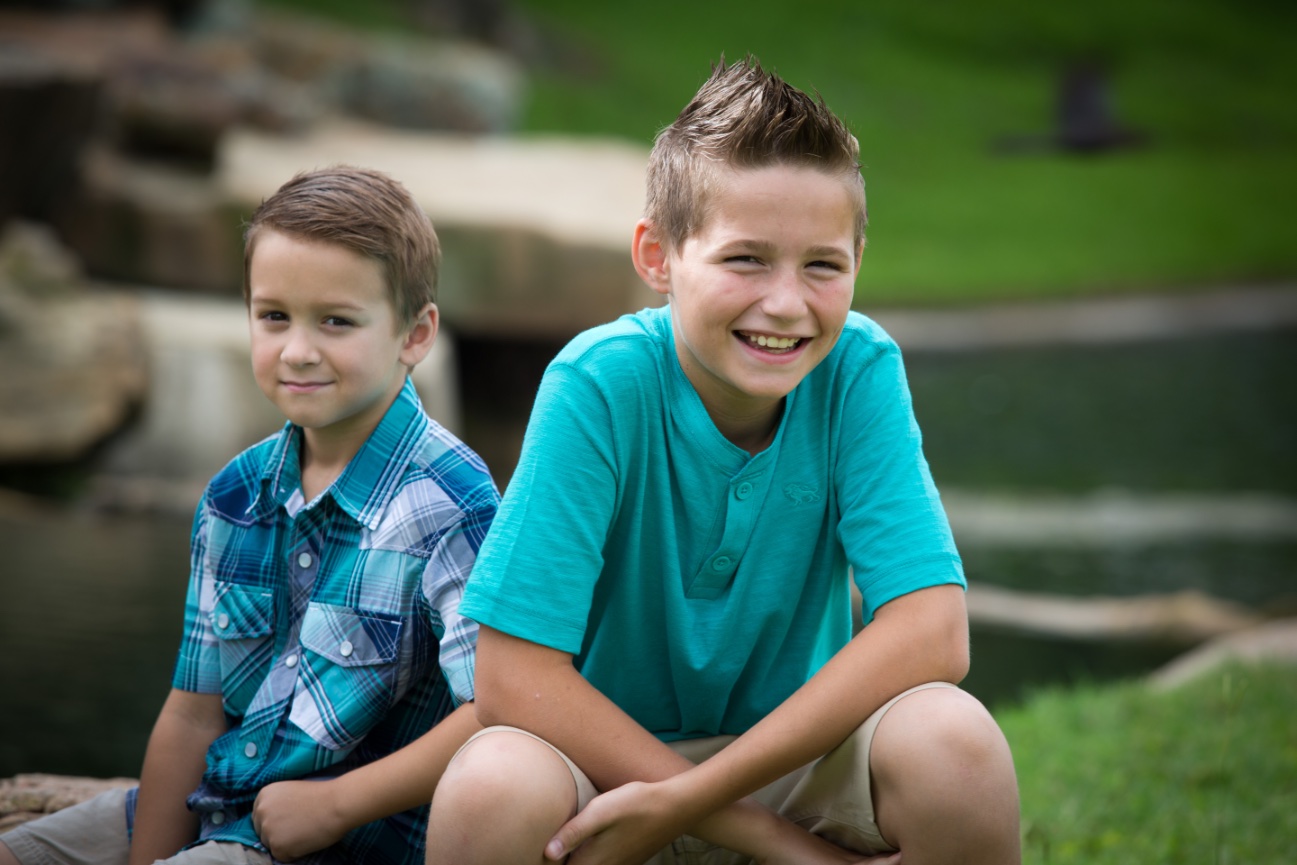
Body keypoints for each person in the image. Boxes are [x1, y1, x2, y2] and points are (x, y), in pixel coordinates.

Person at [427, 57, 1021, 865]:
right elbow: (510, 673)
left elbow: (933, 631)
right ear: (657, 256)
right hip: (603, 771)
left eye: (822, 265)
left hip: (792, 763)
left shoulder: (857, 369)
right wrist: (754, 835)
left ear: (856, 261)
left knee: (957, 745)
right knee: (490, 786)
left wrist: (697, 798)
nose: (785, 303)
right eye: (745, 259)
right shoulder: (597, 383)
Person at [0, 166, 499, 865]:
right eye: (274, 316)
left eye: (336, 320)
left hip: (343, 838)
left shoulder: (451, 502)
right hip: (218, 803)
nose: (298, 350)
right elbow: (192, 713)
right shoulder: (233, 496)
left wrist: (337, 803)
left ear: (414, 334)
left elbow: (495, 709)